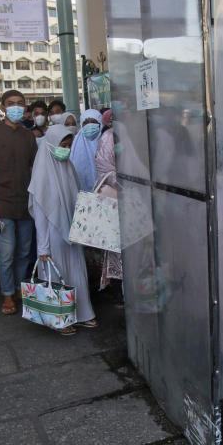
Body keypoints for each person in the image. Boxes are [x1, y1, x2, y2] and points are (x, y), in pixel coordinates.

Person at [28, 125, 96, 335]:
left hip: (71, 233)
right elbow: (40, 215)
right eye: (62, 145)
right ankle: (60, 318)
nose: (65, 149)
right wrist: (43, 247)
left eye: (68, 145)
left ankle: (83, 313)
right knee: (57, 276)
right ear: (50, 145)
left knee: (76, 273)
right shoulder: (41, 175)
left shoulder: (68, 167)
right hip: (52, 236)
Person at [0, 90, 38, 315]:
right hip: (0, 202)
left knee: (23, 251)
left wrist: (37, 197)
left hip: (25, 202)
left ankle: (19, 286)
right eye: (11, 104)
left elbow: (33, 168)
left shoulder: (28, 136)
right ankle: (7, 294)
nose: (16, 107)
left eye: (20, 104)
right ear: (2, 108)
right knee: (7, 251)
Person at [94, 119, 123, 307]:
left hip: (139, 198)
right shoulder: (109, 136)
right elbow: (104, 165)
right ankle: (120, 293)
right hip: (114, 199)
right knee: (117, 248)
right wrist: (128, 180)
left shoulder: (133, 133)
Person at [70, 109, 103, 191]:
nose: (90, 125)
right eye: (86, 122)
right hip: (82, 196)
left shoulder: (106, 141)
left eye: (93, 122)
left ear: (100, 123)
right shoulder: (75, 143)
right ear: (81, 125)